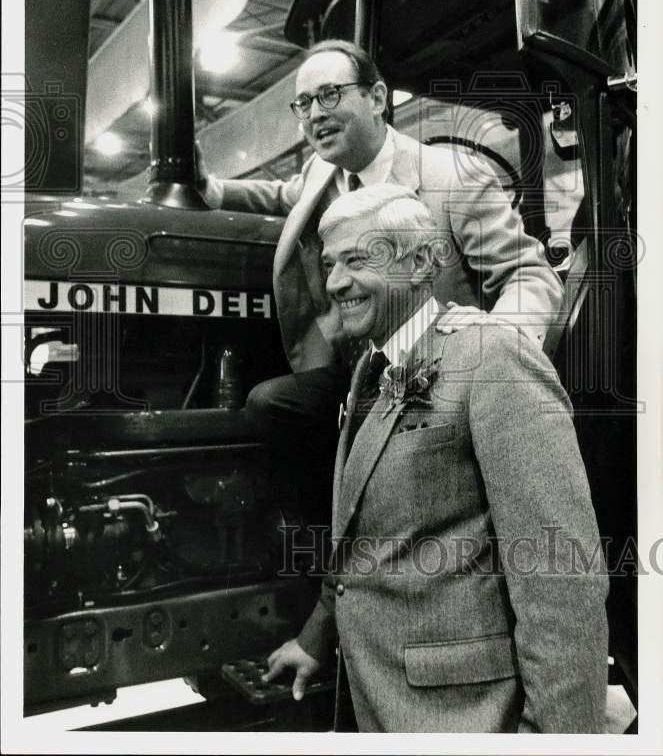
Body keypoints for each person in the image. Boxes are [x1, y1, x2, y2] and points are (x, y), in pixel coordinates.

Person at [263, 184, 609, 733]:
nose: (335, 283)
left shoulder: (492, 356)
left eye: (358, 260)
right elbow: (366, 540)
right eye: (330, 264)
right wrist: (317, 638)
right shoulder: (368, 373)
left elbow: (560, 576)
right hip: (380, 703)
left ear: (423, 261)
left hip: (462, 718)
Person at [199, 40, 564, 477]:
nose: (315, 113)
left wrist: (496, 347)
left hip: (432, 375)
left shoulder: (453, 178)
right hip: (356, 369)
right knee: (270, 403)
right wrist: (212, 188)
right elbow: (283, 195)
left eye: (330, 94)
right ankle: (332, 531)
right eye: (304, 103)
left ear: (377, 98)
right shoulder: (323, 172)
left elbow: (529, 275)